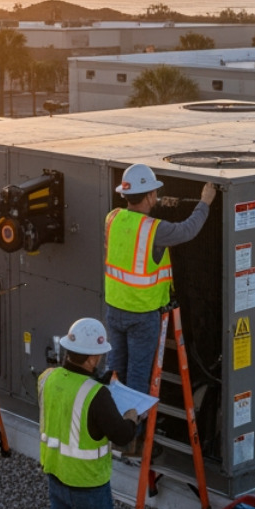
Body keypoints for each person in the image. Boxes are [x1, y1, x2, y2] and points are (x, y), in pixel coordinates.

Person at [39, 317, 139, 509]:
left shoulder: (47, 378)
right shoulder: (96, 395)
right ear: (93, 357)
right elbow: (121, 435)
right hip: (89, 485)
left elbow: (69, 406)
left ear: (69, 349)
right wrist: (132, 417)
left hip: (56, 476)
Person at [104, 163, 217, 393]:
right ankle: (132, 427)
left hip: (114, 309)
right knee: (137, 377)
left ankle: (112, 421)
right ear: (150, 195)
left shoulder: (113, 218)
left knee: (115, 372)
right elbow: (188, 230)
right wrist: (205, 202)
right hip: (142, 315)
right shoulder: (154, 229)